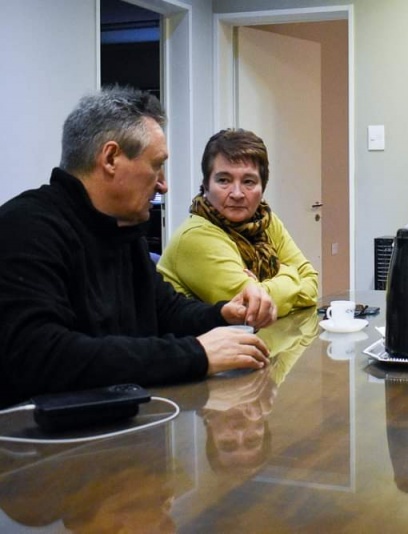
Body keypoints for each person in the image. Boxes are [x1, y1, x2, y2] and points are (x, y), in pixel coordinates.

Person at [0, 86, 277, 408]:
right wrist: (197, 354)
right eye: (156, 165)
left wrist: (223, 315)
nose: (163, 183)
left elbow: (164, 310)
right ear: (111, 158)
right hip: (45, 448)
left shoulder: (120, 228)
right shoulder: (26, 227)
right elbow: (43, 355)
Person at [157, 128, 319, 318]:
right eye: (224, 180)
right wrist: (289, 274)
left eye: (248, 182)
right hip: (203, 344)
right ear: (206, 185)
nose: (237, 193)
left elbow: (312, 284)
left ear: (263, 187)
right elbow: (252, 309)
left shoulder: (265, 221)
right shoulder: (195, 236)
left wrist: (263, 288)